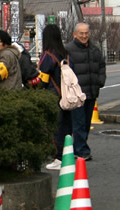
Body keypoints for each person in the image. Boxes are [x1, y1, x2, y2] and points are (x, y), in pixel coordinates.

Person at [65, 22, 106, 160]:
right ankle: (81, 150)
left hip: (91, 91)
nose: (84, 36)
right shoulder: (68, 50)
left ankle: (79, 148)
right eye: (81, 33)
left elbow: (101, 65)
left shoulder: (94, 49)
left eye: (86, 33)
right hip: (76, 94)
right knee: (79, 123)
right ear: (74, 34)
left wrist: (100, 80)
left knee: (86, 123)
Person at [38, 24, 73, 170]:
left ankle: (58, 158)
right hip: (67, 95)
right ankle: (67, 155)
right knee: (67, 126)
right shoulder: (66, 54)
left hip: (54, 95)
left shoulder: (48, 56)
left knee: (56, 127)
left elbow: (43, 79)